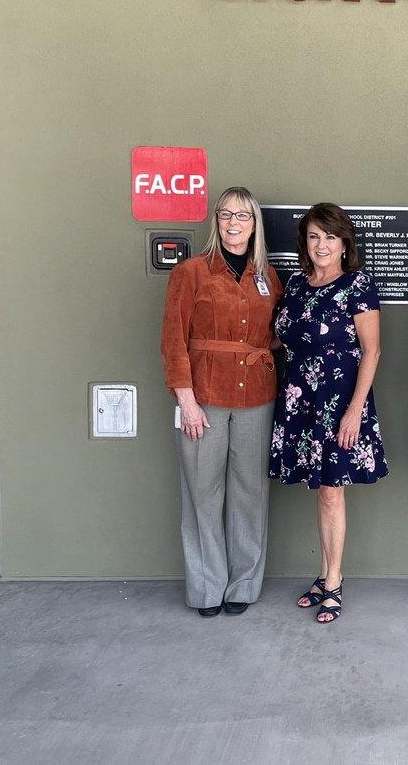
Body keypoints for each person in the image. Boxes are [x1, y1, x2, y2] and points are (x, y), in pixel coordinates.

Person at [160, 186, 283, 617]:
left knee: (251, 494)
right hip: (204, 397)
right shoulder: (190, 272)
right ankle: (207, 587)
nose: (234, 222)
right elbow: (173, 340)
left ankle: (243, 585)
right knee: (201, 493)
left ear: (255, 225)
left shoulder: (268, 276)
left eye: (243, 215)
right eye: (226, 214)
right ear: (216, 220)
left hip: (257, 398)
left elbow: (279, 337)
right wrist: (186, 400)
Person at [269, 203, 388, 623]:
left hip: (339, 403)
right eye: (314, 236)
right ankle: (323, 574)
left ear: (344, 243)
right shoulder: (297, 285)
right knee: (321, 490)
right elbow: (282, 339)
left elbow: (372, 349)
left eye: (330, 237)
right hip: (300, 400)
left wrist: (355, 410)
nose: (322, 245)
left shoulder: (357, 284)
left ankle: (334, 581)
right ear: (305, 241)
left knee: (332, 490)